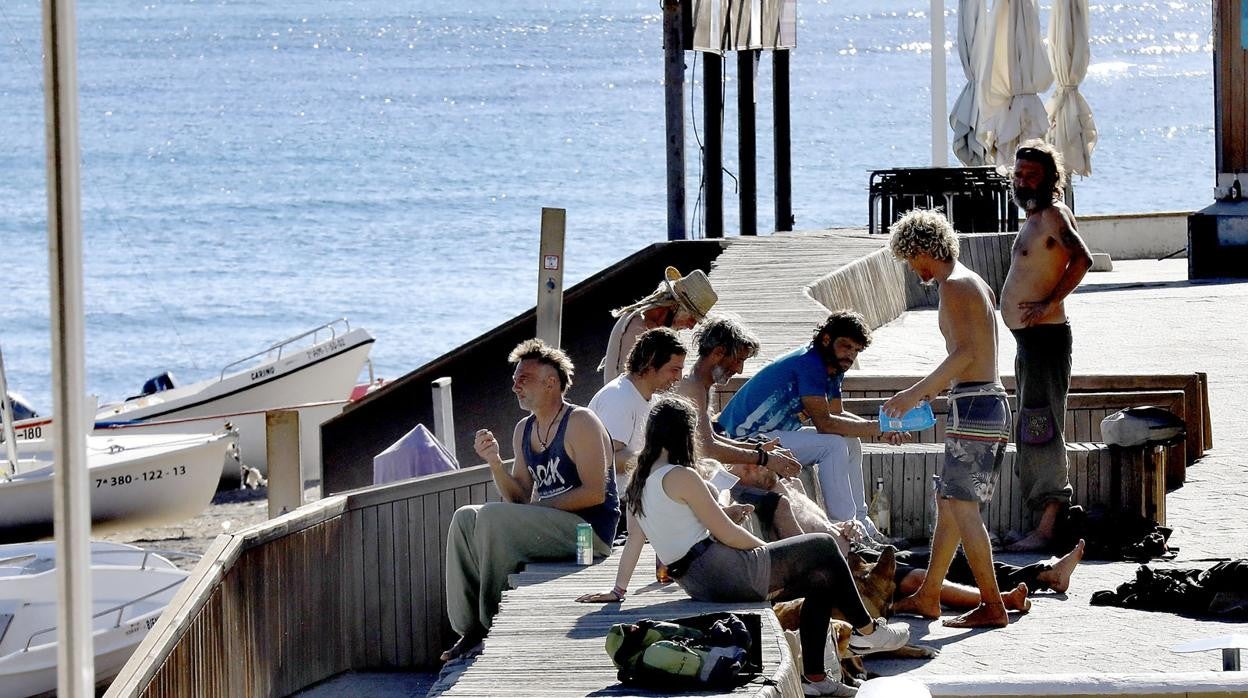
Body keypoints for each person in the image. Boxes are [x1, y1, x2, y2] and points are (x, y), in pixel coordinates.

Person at [578, 396, 910, 697]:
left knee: (821, 579)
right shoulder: (681, 476)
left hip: (697, 580)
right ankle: (868, 631)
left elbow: (635, 540)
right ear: (686, 434)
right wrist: (768, 554)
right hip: (725, 569)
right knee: (823, 545)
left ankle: (815, 677)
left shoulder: (640, 480)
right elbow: (725, 532)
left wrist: (618, 589)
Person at [441, 339, 620, 662]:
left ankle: (490, 624)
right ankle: (468, 628)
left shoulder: (581, 422)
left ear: (551, 383)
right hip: (555, 525)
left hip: (588, 538)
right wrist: (495, 462)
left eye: (523, 379)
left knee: (493, 517)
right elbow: (519, 496)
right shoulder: (524, 429)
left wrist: (535, 509)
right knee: (465, 517)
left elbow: (595, 493)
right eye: (514, 380)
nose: (515, 387)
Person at [882, 209, 1014, 629]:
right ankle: (929, 594)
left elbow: (965, 355)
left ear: (921, 249)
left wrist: (913, 394)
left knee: (963, 506)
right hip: (985, 401)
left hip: (976, 404)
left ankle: (993, 606)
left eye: (910, 259)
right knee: (949, 502)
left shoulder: (954, 286)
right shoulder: (972, 281)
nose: (912, 268)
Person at [716, 310, 905, 546]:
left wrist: (884, 426)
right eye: (846, 346)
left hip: (770, 436)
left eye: (856, 350)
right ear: (826, 339)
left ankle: (862, 524)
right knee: (833, 445)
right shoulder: (810, 363)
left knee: (849, 441)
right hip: (744, 439)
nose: (850, 355)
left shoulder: (833, 367)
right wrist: (879, 429)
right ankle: (847, 532)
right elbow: (825, 424)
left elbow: (835, 414)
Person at [1000, 140, 1093, 553]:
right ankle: (1039, 520)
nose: (1022, 181)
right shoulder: (1035, 218)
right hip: (1030, 342)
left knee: (1042, 428)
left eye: (1031, 175)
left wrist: (1050, 303)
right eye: (1018, 174)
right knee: (1032, 426)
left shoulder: (1054, 215)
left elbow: (1083, 259)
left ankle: (1049, 523)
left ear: (1050, 179)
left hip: (1046, 340)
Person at [674, 316, 806, 538]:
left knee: (784, 487)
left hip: (703, 480)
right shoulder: (692, 389)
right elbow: (707, 448)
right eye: (737, 360)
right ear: (717, 353)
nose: (739, 369)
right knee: (779, 502)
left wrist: (759, 449)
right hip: (693, 488)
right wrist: (763, 458)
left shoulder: (702, 385)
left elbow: (711, 439)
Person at [589, 327, 687, 482]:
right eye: (674, 370)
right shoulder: (618, 397)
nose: (678, 378)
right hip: (615, 503)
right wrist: (662, 463)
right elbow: (607, 459)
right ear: (650, 362)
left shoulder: (653, 400)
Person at [600, 266, 717, 384]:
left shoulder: (659, 330)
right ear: (675, 306)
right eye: (692, 318)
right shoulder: (637, 325)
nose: (691, 326)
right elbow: (629, 383)